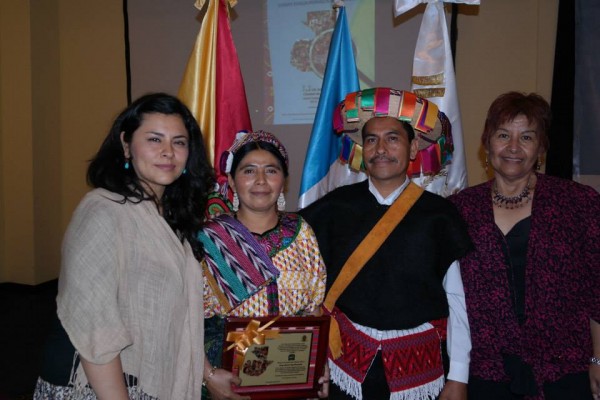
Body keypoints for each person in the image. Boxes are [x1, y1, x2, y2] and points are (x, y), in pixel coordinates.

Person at [33, 93, 214, 399]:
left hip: (144, 380)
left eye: (179, 142)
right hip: (97, 385)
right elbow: (94, 326)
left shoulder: (169, 217)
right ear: (127, 145)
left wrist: (207, 374)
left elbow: (179, 316)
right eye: (154, 139)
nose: (168, 152)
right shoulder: (102, 210)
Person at [299, 87, 473, 400]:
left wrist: (459, 376)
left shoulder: (440, 215)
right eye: (371, 139)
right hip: (344, 366)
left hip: (419, 371)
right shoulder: (333, 208)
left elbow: (457, 301)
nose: (381, 148)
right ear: (362, 149)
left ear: (412, 147)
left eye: (392, 138)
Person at [448, 91, 600, 400]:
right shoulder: (458, 210)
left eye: (527, 137)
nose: (513, 148)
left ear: (541, 147)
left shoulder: (578, 203)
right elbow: (450, 301)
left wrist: (599, 359)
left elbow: (596, 288)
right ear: (486, 141)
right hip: (485, 375)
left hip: (565, 373)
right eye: (503, 135)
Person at [198, 131, 328, 399]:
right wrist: (207, 375)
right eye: (249, 171)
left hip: (291, 372)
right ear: (232, 181)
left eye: (271, 170)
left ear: (283, 181)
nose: (260, 181)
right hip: (224, 378)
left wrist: (318, 366)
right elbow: (183, 319)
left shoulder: (301, 231)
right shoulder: (209, 237)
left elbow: (314, 308)